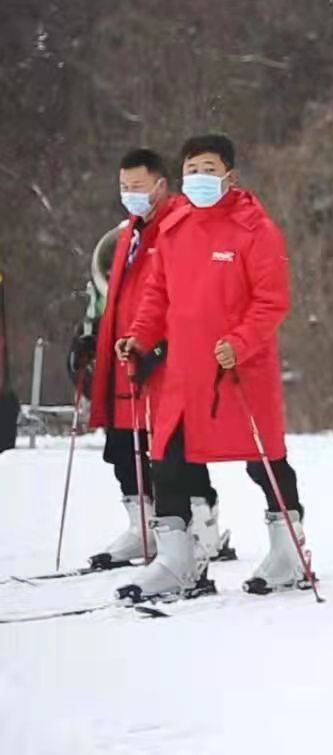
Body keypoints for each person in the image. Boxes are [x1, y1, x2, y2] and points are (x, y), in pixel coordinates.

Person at [115, 134, 310, 601]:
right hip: (184, 373)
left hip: (238, 370)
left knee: (264, 459)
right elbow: (157, 294)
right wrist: (138, 338)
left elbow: (272, 300)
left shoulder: (256, 229)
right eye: (192, 170)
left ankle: (289, 551)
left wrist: (239, 343)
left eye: (208, 169)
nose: (198, 178)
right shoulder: (174, 226)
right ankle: (177, 560)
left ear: (230, 176)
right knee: (167, 461)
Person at [79, 149, 230, 570]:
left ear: (161, 185)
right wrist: (94, 334)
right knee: (123, 444)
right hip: (127, 352)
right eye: (124, 187)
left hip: (170, 358)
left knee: (174, 448)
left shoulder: (179, 226)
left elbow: (187, 295)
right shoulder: (129, 233)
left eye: (138, 187)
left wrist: (161, 346)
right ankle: (141, 522)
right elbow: (115, 293)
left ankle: (201, 523)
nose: (130, 194)